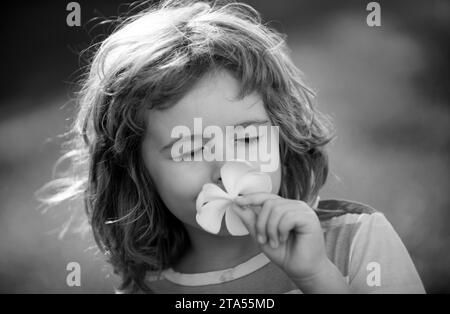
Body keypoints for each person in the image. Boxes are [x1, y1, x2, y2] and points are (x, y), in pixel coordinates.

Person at [38, 0, 425, 293]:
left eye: (247, 138)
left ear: (282, 135)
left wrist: (316, 276)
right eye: (189, 149)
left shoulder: (356, 241)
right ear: (137, 172)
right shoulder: (147, 286)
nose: (225, 170)